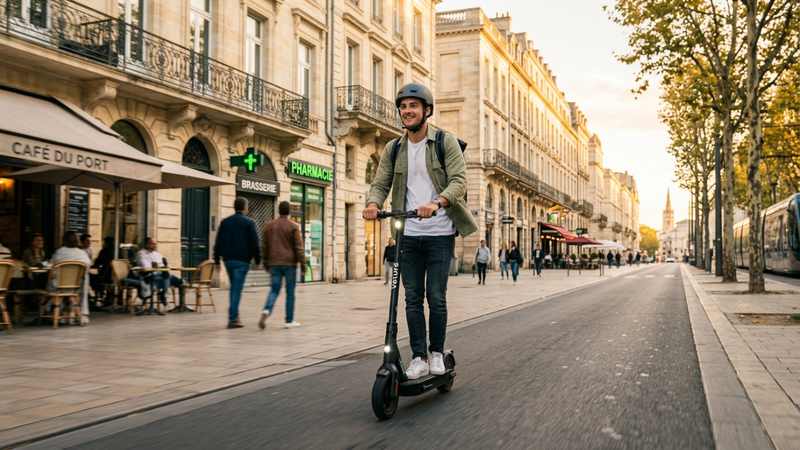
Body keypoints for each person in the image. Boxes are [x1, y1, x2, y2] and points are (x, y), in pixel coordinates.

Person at [363, 82, 477, 380]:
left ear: (427, 110)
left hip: (440, 232)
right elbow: (381, 182)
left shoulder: (445, 142)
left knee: (436, 296)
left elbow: (459, 181)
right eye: (403, 106)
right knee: (412, 297)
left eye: (413, 106)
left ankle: (436, 352)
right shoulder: (394, 148)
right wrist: (373, 203)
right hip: (409, 234)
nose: (407, 111)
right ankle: (419, 357)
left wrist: (436, 203)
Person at [214, 197, 261, 329]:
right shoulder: (249, 223)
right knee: (236, 288)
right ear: (245, 208)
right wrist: (257, 260)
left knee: (234, 287)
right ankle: (233, 318)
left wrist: (217, 260)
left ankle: (235, 316)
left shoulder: (225, 222)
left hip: (228, 260)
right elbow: (255, 243)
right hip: (242, 261)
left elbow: (218, 242)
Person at [258, 201, 306, 330]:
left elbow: (264, 246)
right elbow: (299, 248)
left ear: (278, 211)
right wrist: (303, 265)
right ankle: (289, 321)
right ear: (289, 212)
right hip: (290, 264)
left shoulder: (269, 225)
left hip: (274, 263)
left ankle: (267, 309)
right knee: (290, 292)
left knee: (274, 289)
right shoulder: (293, 226)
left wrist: (265, 264)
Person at [51, 231, 92, 324]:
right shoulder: (82, 253)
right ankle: (81, 313)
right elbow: (87, 267)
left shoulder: (59, 252)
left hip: (60, 287)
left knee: (51, 283)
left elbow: (54, 270)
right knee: (86, 278)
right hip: (76, 287)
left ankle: (60, 311)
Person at [135, 237, 185, 308]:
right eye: (152, 244)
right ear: (146, 244)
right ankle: (164, 294)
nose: (154, 246)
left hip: (162, 276)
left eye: (155, 244)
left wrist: (163, 266)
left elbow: (167, 265)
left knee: (182, 282)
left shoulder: (157, 254)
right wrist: (158, 266)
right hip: (151, 277)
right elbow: (146, 266)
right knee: (166, 274)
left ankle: (181, 305)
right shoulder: (141, 253)